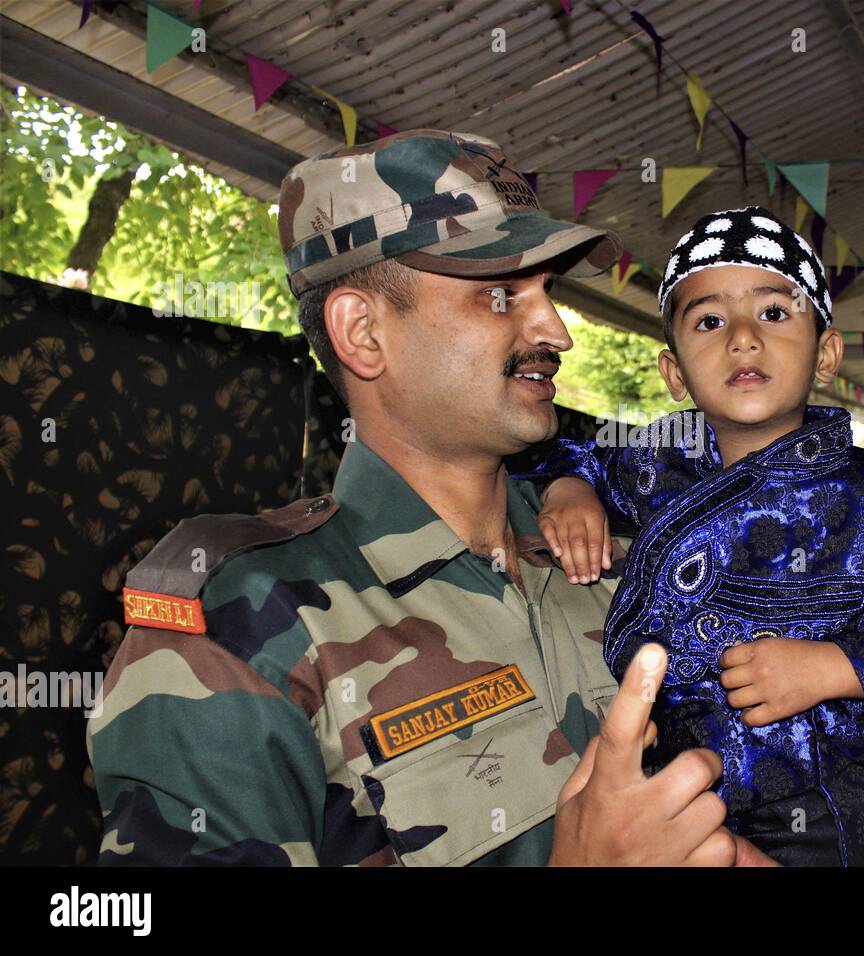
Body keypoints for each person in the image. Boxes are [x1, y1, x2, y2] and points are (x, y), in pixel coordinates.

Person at [87, 129, 770, 867]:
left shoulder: (622, 565)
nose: (555, 332)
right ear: (363, 332)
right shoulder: (237, 633)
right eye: (501, 294)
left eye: (548, 294)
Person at [522, 205, 864, 865]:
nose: (743, 338)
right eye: (710, 321)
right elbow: (555, 446)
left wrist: (835, 667)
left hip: (812, 810)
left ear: (826, 355)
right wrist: (570, 489)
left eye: (775, 314)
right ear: (674, 373)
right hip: (661, 786)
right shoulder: (652, 458)